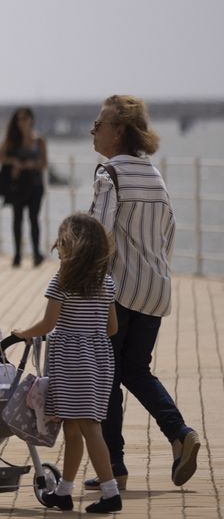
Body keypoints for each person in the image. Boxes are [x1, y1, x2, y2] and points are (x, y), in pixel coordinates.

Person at [89, 94, 202, 490]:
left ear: (118, 131)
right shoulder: (155, 175)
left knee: (106, 376)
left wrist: (82, 289)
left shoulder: (110, 175)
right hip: (156, 291)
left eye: (100, 123)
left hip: (118, 295)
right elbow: (169, 233)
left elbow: (98, 239)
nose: (93, 130)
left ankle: (114, 469)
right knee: (135, 370)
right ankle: (179, 434)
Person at [11, 213, 121, 513]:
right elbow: (112, 328)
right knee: (73, 427)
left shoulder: (62, 280)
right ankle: (64, 491)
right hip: (99, 360)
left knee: (88, 426)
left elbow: (48, 323)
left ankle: (111, 492)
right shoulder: (106, 282)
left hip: (72, 362)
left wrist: (22, 333)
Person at [0, 107, 49, 267]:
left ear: (31, 119)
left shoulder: (39, 140)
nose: (22, 122)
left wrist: (31, 164)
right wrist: (14, 162)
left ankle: (36, 253)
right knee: (17, 219)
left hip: (35, 185)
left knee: (34, 219)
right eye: (19, 119)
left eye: (25, 118)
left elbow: (44, 163)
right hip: (17, 185)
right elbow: (0, 158)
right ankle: (17, 255)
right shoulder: (11, 140)